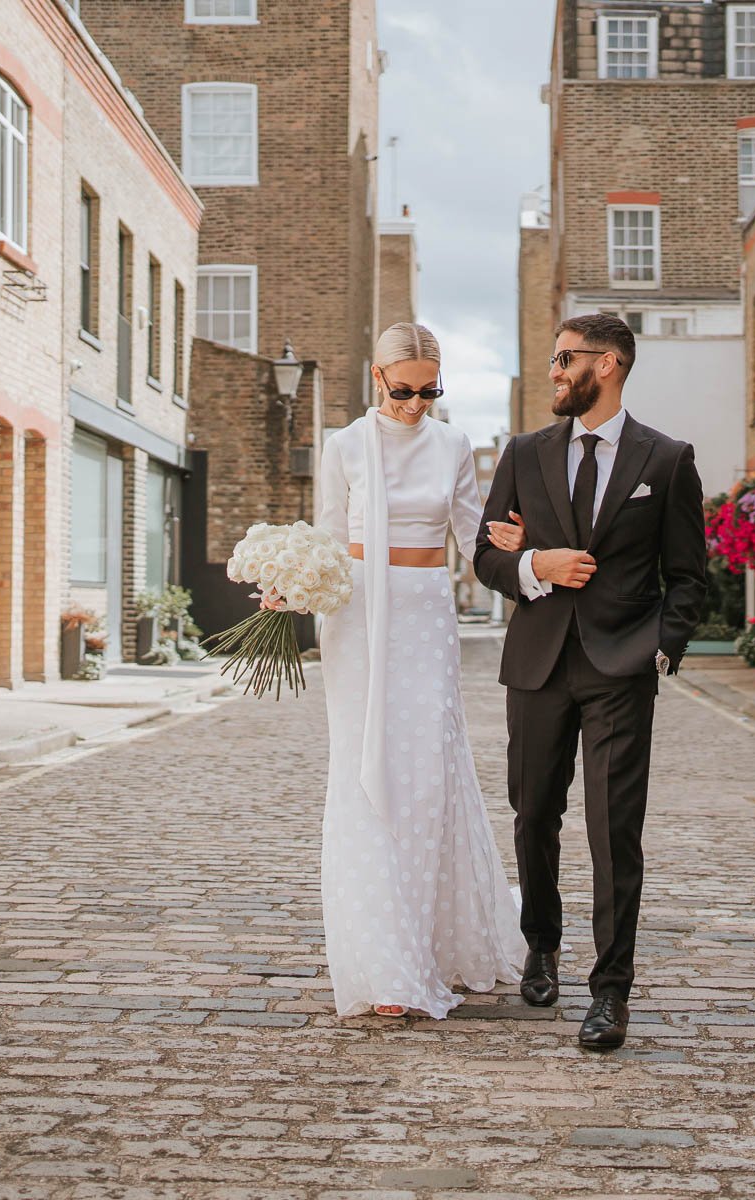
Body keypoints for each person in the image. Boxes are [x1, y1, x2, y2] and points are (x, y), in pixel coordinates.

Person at [473, 313, 708, 1050]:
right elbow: (486, 556)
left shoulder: (666, 460)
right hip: (538, 662)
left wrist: (660, 649)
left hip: (621, 669)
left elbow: (690, 578)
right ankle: (540, 946)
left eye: (564, 359)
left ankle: (611, 993)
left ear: (606, 365)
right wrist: (535, 566)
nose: (553, 372)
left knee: (616, 831)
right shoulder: (523, 453)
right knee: (534, 812)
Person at [305, 321, 527, 1018]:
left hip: (427, 615)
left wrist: (527, 556)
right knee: (367, 775)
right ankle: (385, 963)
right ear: (377, 379)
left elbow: (473, 539)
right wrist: (292, 583)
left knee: (427, 773)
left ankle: (431, 946)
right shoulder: (343, 447)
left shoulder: (454, 444)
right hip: (358, 619)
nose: (415, 404)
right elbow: (327, 540)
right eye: (404, 390)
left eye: (430, 390)